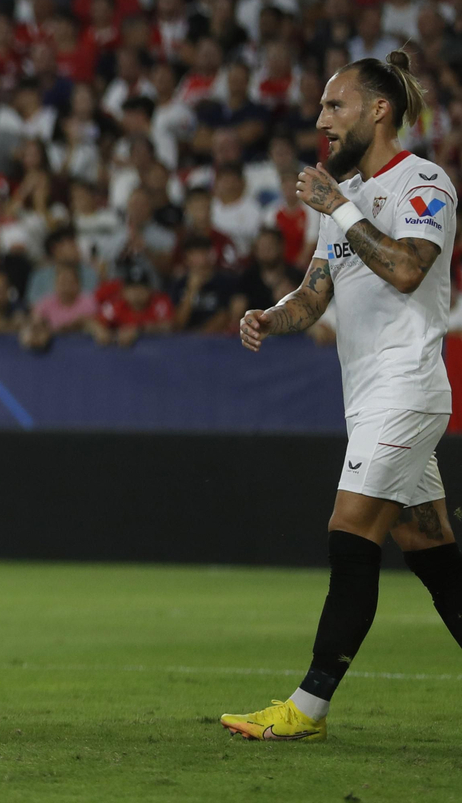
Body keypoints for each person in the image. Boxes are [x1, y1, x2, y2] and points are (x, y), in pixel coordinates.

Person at [224, 51, 462, 742]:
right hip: (368, 395)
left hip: (407, 384)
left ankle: (308, 707)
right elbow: (314, 294)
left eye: (335, 106)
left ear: (379, 110)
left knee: (351, 532)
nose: (320, 121)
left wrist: (342, 205)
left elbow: (409, 271)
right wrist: (271, 315)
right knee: (432, 551)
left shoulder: (424, 181)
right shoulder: (343, 199)